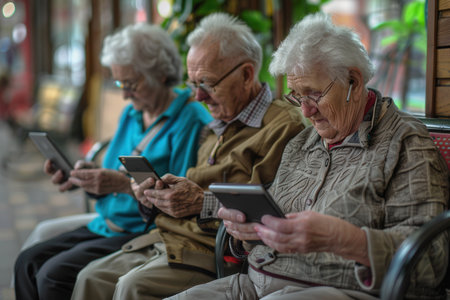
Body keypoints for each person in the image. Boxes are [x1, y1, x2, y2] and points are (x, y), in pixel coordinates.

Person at [170, 13, 450, 300]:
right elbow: (272, 223)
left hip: (338, 291)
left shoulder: (405, 143)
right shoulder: (302, 143)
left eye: (314, 94)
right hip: (254, 285)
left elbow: (430, 261)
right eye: (296, 95)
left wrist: (344, 239)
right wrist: (249, 231)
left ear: (353, 81)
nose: (305, 111)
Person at [70, 12, 306, 300]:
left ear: (246, 74)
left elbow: (273, 210)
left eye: (206, 84)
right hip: (168, 237)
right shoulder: (217, 122)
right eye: (193, 84)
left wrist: (198, 202)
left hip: (213, 251)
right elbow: (188, 190)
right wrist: (154, 197)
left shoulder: (284, 126)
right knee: (88, 278)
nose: (198, 96)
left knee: (129, 287)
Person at [14, 22, 213, 300]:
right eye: (120, 83)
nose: (124, 94)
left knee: (52, 275)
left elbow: (180, 200)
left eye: (130, 83)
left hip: (145, 232)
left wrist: (120, 185)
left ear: (160, 73)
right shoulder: (132, 113)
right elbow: (112, 172)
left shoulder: (190, 119)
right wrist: (82, 178)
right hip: (107, 224)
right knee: (27, 262)